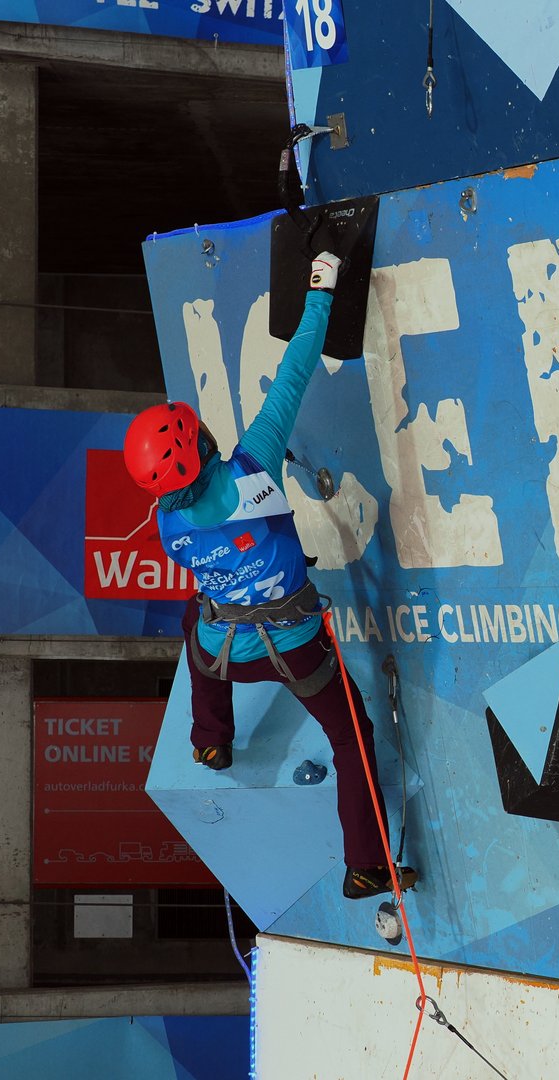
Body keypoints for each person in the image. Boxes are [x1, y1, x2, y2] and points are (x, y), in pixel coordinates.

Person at [123, 251, 413, 900]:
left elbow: (208, 566)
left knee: (196, 615)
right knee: (351, 738)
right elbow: (295, 370)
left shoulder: (167, 526)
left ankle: (211, 741)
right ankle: (365, 864)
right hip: (297, 649)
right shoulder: (254, 465)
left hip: (225, 653)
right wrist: (321, 289)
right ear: (201, 444)